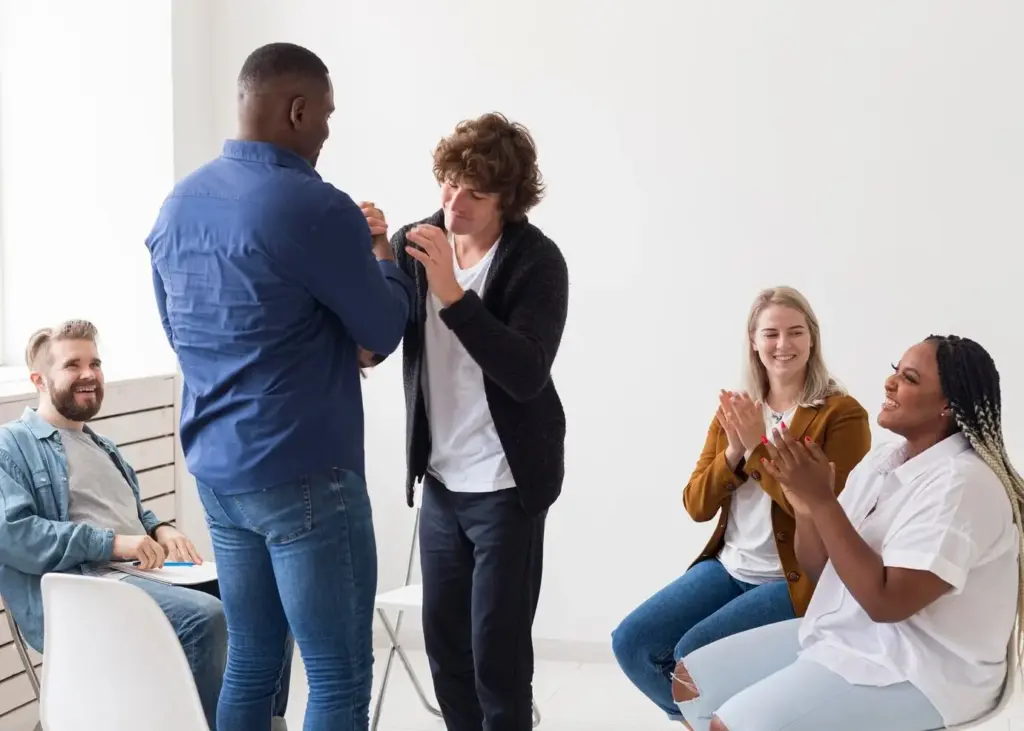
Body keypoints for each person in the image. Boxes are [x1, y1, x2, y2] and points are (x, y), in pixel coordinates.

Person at [145, 42, 413, 731]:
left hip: (218, 474)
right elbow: (382, 329)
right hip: (305, 474)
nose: (326, 131)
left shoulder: (178, 205)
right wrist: (381, 255)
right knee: (337, 675)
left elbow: (183, 336)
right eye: (325, 115)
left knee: (252, 659)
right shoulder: (315, 206)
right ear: (297, 110)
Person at [671, 335, 1023, 731]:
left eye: (909, 378)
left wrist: (824, 502)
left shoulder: (963, 485)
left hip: (928, 670)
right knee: (690, 685)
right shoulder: (884, 461)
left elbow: (887, 604)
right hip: (855, 635)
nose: (890, 383)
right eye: (896, 371)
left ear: (948, 405)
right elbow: (821, 570)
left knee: (729, 724)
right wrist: (806, 507)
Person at [360, 112, 568, 731]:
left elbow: (525, 372)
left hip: (507, 485)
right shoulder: (416, 241)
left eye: (475, 193)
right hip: (442, 484)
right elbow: (377, 344)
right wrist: (378, 256)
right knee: (447, 654)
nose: (455, 203)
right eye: (449, 184)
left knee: (498, 662)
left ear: (508, 198)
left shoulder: (536, 261)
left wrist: (452, 294)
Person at [0, 321, 292, 730]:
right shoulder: (11, 445)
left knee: (271, 599)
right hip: (83, 593)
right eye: (72, 365)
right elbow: (13, 535)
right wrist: (113, 544)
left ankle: (262, 723)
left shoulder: (103, 446)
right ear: (39, 380)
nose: (89, 374)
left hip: (140, 576)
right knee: (206, 618)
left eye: (95, 363)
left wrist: (160, 529)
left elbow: (128, 513)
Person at [611, 286, 872, 723]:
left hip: (793, 579)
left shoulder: (841, 414)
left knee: (693, 656)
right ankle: (709, 723)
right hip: (729, 567)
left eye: (796, 332)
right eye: (771, 333)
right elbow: (696, 504)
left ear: (812, 338)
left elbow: (828, 511)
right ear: (753, 340)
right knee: (632, 642)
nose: (783, 344)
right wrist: (733, 452)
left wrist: (755, 448)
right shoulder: (736, 410)